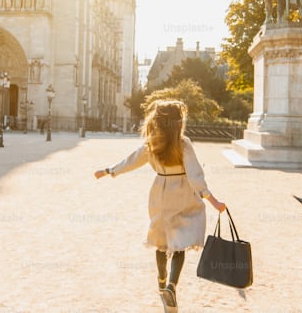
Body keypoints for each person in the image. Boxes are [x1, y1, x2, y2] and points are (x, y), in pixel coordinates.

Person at [94, 100, 227, 313]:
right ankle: (172, 286)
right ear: (177, 123)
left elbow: (131, 161)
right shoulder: (183, 144)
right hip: (183, 194)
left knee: (161, 242)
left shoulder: (152, 144)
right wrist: (213, 201)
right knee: (180, 243)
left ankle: (161, 281)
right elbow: (195, 176)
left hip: (160, 194)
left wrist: (109, 170)